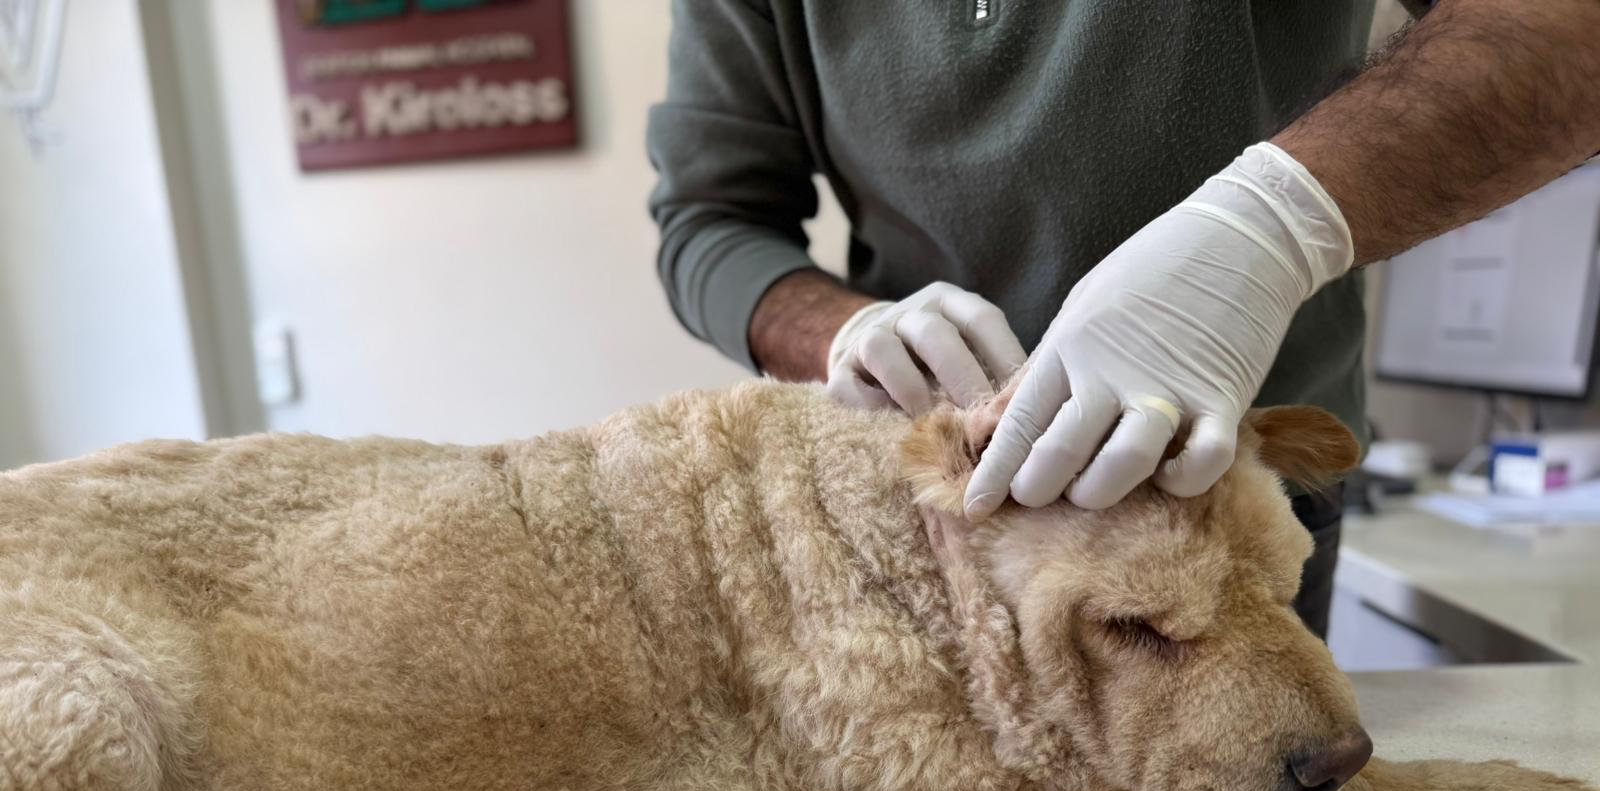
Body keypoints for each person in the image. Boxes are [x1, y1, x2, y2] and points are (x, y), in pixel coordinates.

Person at [647, 0, 1600, 639]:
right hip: (932, 516)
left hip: (1240, 491)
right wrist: (845, 332)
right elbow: (710, 219)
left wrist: (1272, 228)